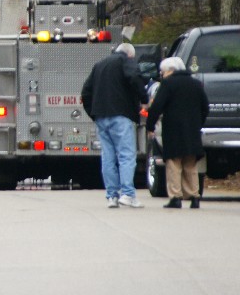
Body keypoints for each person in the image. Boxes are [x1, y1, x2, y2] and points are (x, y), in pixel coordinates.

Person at [81, 43, 149, 208]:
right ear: (129, 55)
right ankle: (127, 194)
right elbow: (134, 77)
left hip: (101, 117)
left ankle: (112, 196)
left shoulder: (99, 65)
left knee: (108, 157)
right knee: (126, 155)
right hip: (121, 115)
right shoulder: (124, 61)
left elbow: (85, 92)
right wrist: (144, 100)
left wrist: (93, 114)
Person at [145, 57, 209, 209]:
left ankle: (176, 197)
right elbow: (205, 107)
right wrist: (198, 123)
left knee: (174, 164)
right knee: (190, 164)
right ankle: (194, 196)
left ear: (170, 70)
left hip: (173, 129)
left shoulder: (168, 84)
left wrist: (150, 126)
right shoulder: (195, 83)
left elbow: (157, 106)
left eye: (163, 71)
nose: (162, 74)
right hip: (192, 130)